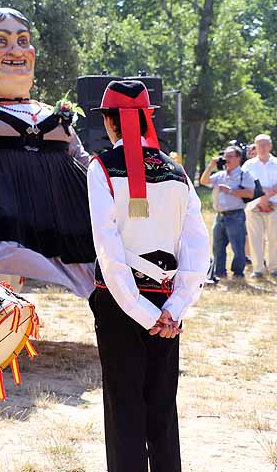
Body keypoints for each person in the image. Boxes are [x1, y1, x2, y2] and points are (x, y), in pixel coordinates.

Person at [87, 79, 210, 472]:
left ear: (110, 121)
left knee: (123, 408)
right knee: (161, 409)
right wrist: (174, 308)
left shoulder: (100, 167)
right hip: (166, 306)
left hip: (122, 301)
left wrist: (143, 311)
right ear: (145, 119)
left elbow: (107, 248)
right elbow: (197, 246)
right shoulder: (177, 172)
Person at [0, 8, 96, 297]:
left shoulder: (51, 116)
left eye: (23, 41)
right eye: (1, 41)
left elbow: (82, 160)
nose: (17, 50)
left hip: (55, 225)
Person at [199, 145, 255, 282]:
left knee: (238, 246)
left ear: (238, 158)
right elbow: (203, 181)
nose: (226, 159)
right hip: (220, 216)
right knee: (217, 246)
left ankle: (238, 273)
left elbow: (250, 193)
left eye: (230, 156)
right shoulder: (220, 175)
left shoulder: (244, 175)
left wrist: (230, 191)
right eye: (225, 156)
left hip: (236, 215)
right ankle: (220, 273)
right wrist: (211, 165)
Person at [243, 134, 277, 278]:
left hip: (274, 204)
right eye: (259, 145)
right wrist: (263, 195)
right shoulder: (248, 165)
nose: (262, 148)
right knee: (255, 238)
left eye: (265, 145)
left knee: (275, 237)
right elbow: (245, 183)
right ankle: (258, 269)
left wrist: (268, 195)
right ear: (255, 147)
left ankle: (274, 268)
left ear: (270, 146)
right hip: (254, 206)